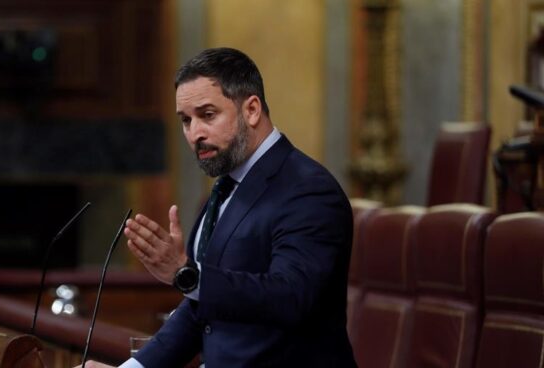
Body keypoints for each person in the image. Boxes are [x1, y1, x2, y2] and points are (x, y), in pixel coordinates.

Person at [80, 47, 357, 367]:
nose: (195, 133)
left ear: (251, 110)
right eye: (186, 120)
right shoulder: (223, 190)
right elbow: (201, 310)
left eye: (207, 115)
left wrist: (187, 275)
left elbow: (290, 297)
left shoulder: (307, 190)